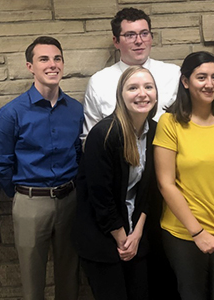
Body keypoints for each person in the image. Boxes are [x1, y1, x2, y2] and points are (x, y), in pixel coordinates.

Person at [154, 51, 214, 300]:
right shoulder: (170, 122)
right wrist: (198, 233)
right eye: (201, 77)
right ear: (185, 81)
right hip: (184, 234)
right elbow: (165, 184)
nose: (209, 84)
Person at [0, 36, 83, 300]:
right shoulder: (12, 113)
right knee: (33, 279)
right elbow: (0, 161)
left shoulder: (75, 109)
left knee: (70, 275)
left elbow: (77, 151)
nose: (52, 65)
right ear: (30, 66)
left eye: (57, 58)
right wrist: (19, 193)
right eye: (44, 59)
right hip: (30, 201)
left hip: (69, 199)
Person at [73, 66, 159, 300]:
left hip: (136, 235)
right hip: (104, 238)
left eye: (148, 87)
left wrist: (137, 234)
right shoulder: (104, 133)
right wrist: (123, 240)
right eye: (133, 88)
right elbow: (100, 197)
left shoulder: (155, 133)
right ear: (121, 95)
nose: (142, 94)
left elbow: (149, 190)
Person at [83, 7, 180, 135]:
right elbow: (91, 136)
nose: (139, 41)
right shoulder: (99, 82)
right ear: (116, 41)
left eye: (144, 33)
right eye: (130, 35)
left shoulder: (173, 74)